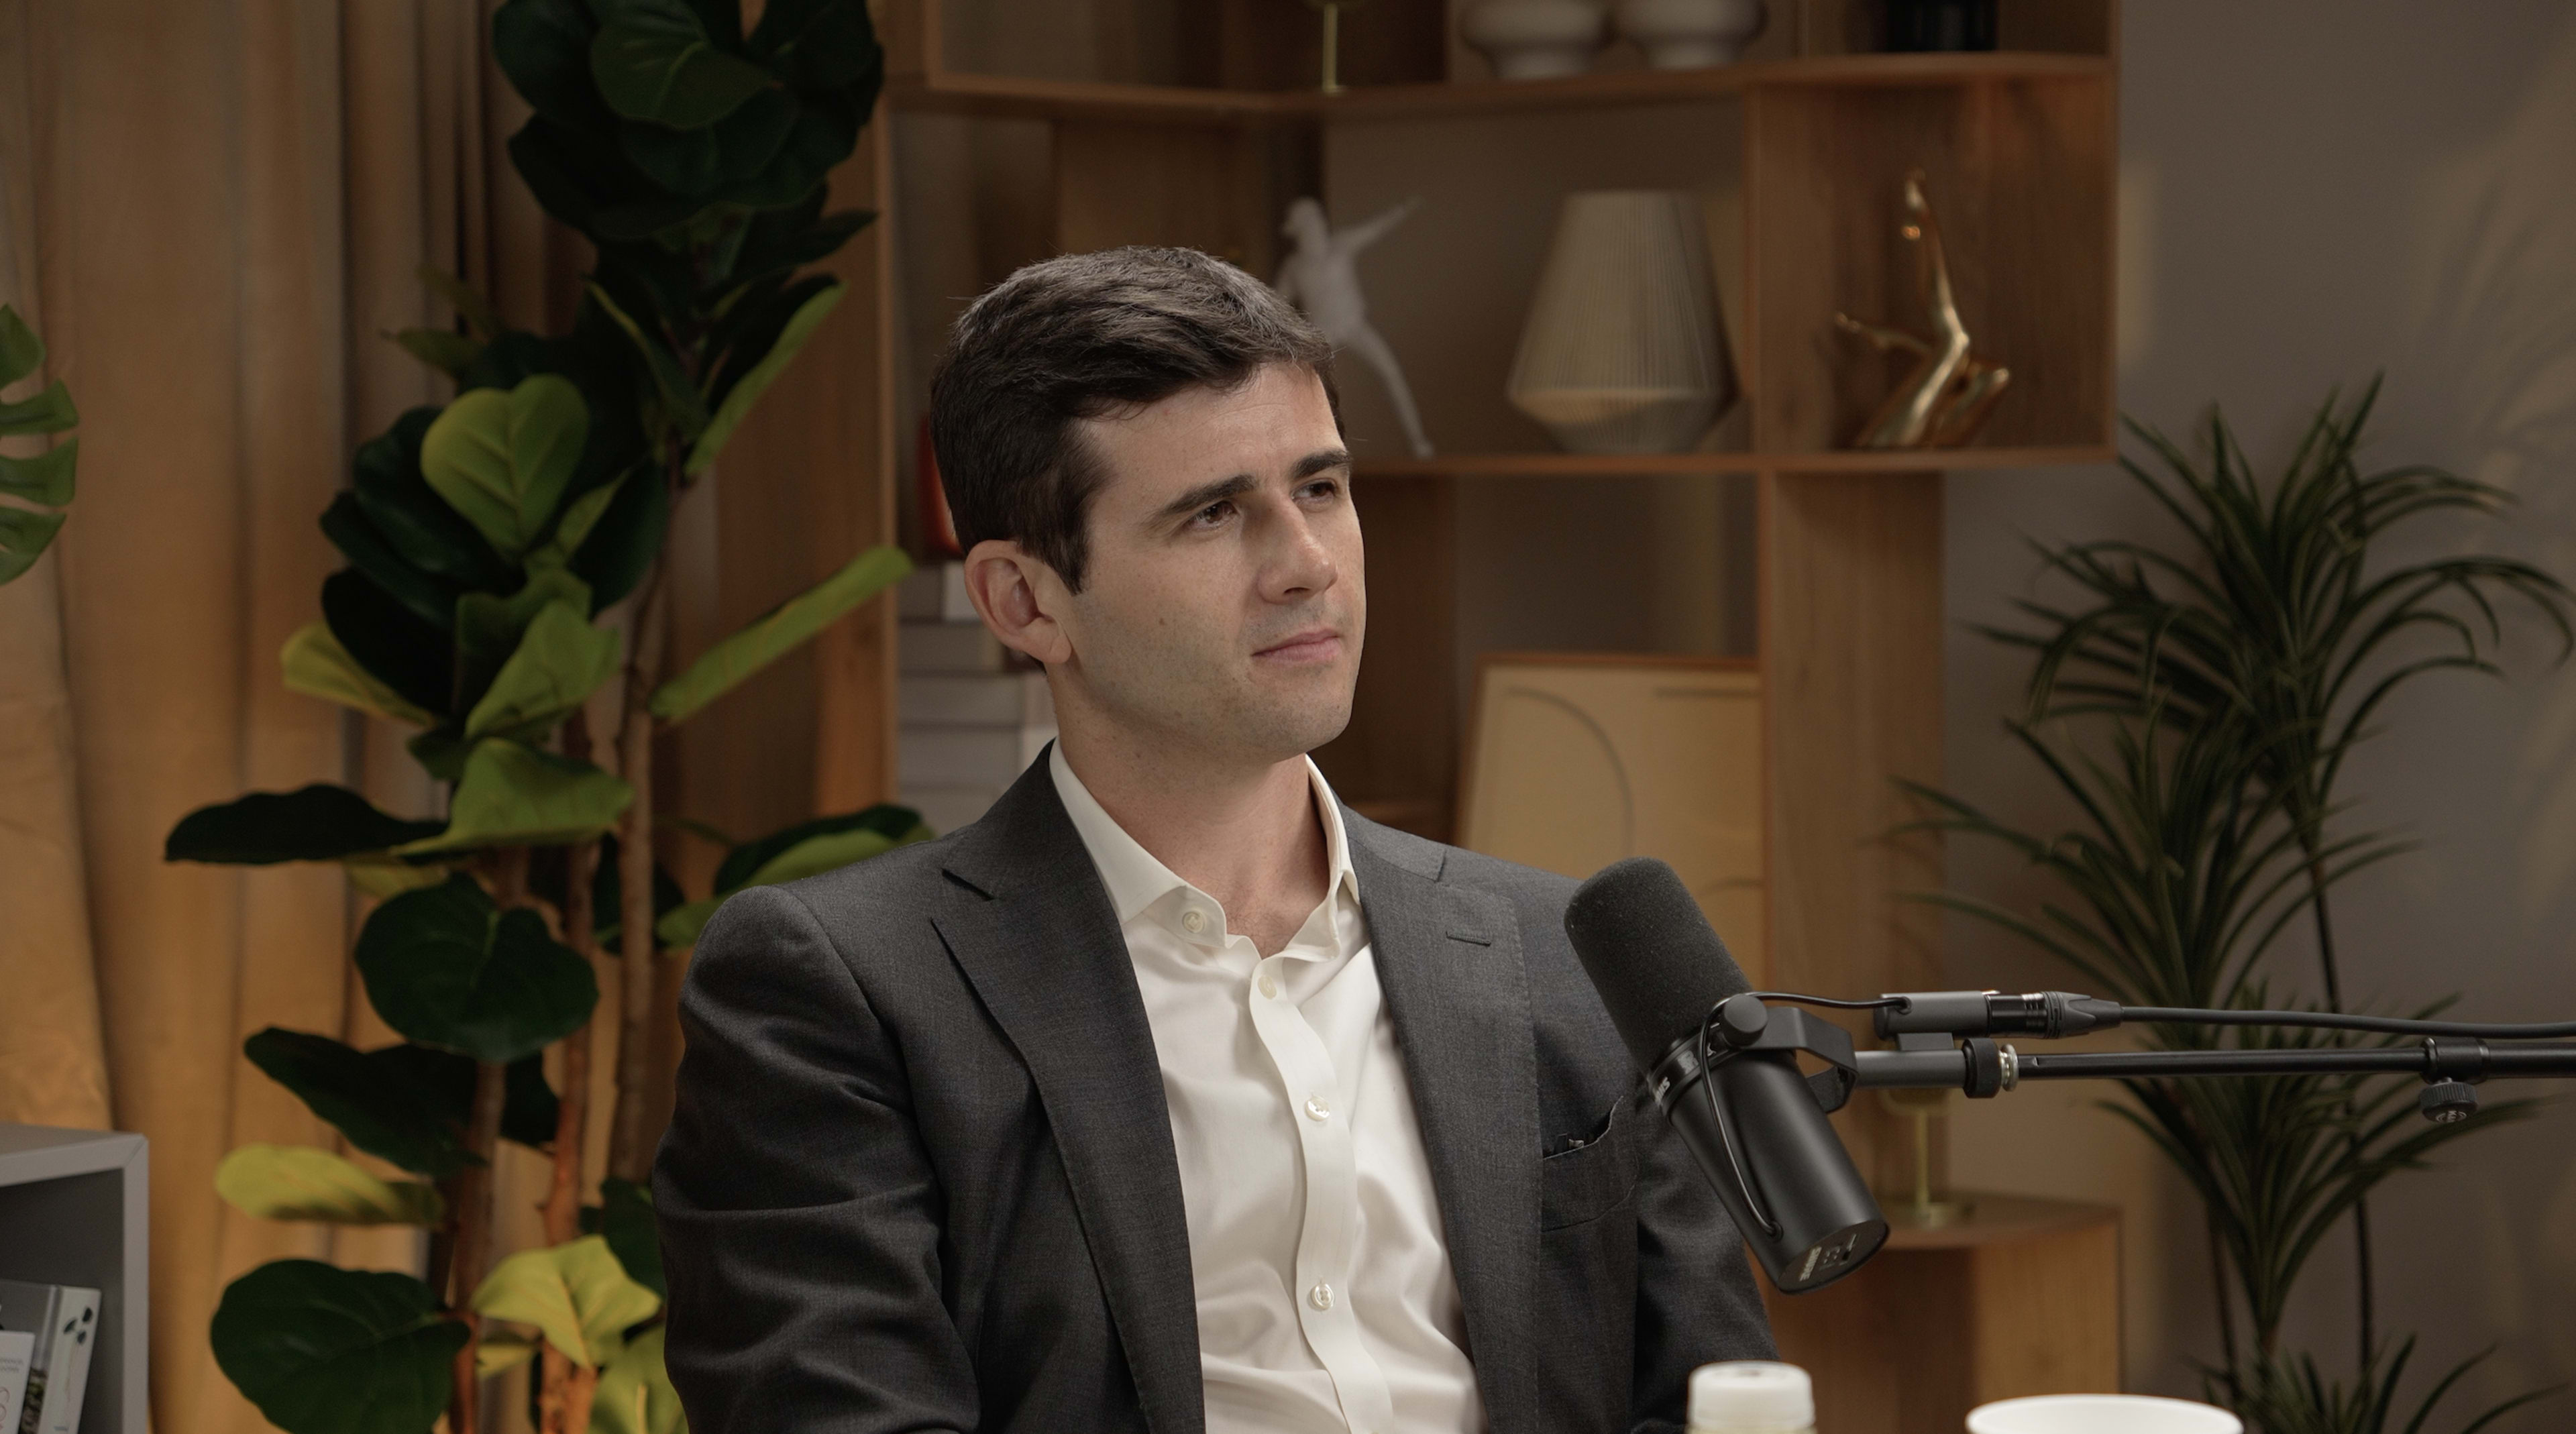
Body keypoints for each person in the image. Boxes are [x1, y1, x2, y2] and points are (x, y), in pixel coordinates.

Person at [653, 246, 1774, 1434]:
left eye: (1323, 489)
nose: (1306, 564)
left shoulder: (1565, 951)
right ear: (1025, 602)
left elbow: (1720, 1403)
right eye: (1214, 513)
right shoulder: (836, 991)